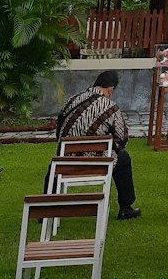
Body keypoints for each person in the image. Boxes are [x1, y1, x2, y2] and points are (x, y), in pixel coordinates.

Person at [55, 69, 141, 220]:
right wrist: (110, 148)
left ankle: (47, 209)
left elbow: (60, 129)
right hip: (97, 163)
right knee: (123, 158)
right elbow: (122, 139)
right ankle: (125, 208)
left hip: (65, 161)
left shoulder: (72, 100)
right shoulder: (111, 108)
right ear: (110, 89)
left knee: (54, 165)